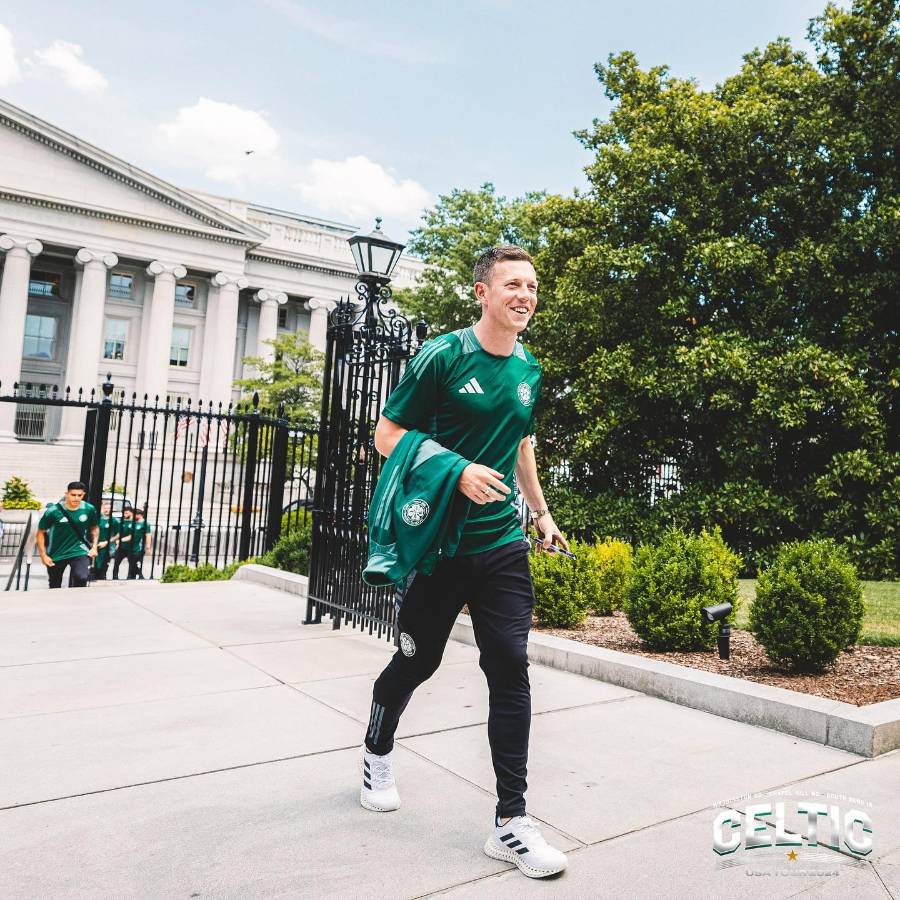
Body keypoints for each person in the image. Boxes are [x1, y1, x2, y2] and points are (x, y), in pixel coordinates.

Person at [359, 246, 570, 879]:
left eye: (532, 286)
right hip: (440, 546)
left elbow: (521, 443)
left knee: (509, 666)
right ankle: (376, 751)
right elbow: (386, 435)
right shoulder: (443, 356)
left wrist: (541, 513)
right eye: (512, 284)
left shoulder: (529, 368)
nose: (525, 295)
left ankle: (511, 821)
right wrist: (456, 470)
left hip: (501, 544)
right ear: (482, 292)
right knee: (417, 661)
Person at [35, 481, 99, 589]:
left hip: (79, 550)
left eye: (79, 495)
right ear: (66, 494)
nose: (76, 498)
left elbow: (94, 528)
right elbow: (40, 533)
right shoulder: (53, 511)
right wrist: (43, 555)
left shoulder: (89, 509)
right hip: (56, 552)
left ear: (83, 495)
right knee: (55, 585)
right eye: (73, 495)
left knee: (81, 577)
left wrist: (94, 547)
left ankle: (76, 598)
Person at [90, 500, 120, 580]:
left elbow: (118, 534)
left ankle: (102, 578)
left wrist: (107, 542)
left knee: (103, 566)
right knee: (95, 565)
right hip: (96, 545)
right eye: (105, 508)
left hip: (108, 547)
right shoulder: (98, 519)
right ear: (102, 508)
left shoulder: (114, 521)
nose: (107, 510)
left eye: (109, 508)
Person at [126, 508, 152, 579]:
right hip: (131, 546)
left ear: (139, 515)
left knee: (134, 562)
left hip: (139, 547)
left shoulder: (145, 524)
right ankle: (135, 575)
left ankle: (133, 576)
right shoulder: (134, 523)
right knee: (131, 561)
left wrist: (148, 547)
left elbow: (148, 536)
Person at [112, 506, 134, 579]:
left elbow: (132, 536)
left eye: (126, 513)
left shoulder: (134, 523)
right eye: (124, 513)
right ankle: (115, 577)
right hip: (121, 547)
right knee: (116, 563)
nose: (125, 514)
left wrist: (120, 540)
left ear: (131, 513)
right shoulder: (122, 522)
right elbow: (119, 534)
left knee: (132, 564)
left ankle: (130, 577)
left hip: (131, 547)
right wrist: (114, 541)